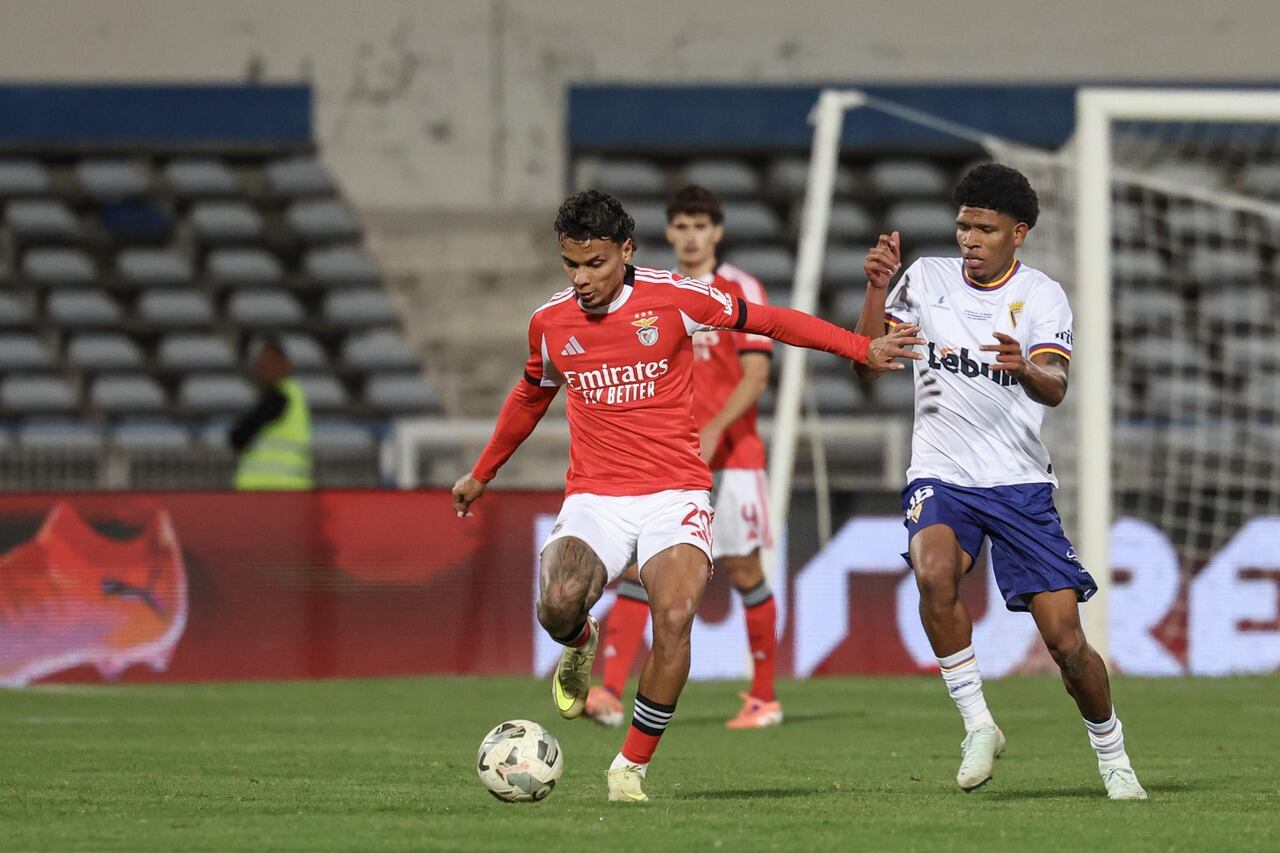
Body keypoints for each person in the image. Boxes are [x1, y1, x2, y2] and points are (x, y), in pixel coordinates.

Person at [452, 190, 921, 802]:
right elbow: (531, 394)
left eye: (594, 264)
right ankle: (580, 643)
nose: (582, 279)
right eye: (570, 265)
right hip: (596, 495)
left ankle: (630, 768)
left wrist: (861, 346)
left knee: (673, 617)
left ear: (626, 251)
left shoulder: (676, 297)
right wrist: (483, 471)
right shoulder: (550, 321)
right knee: (557, 605)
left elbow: (771, 319)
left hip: (675, 493)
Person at [855, 163, 1146, 800]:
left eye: (984, 229)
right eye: (963, 226)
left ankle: (1113, 754)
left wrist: (1024, 370)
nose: (969, 239)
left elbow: (1056, 385)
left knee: (1067, 642)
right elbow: (868, 365)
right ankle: (978, 723)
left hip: (1018, 485)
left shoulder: (1042, 296)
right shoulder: (924, 279)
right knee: (932, 571)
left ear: (1018, 233)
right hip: (941, 473)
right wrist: (877, 290)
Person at [584, 185, 782, 731]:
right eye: (682, 225)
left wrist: (717, 427)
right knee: (637, 566)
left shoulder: (739, 287)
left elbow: (758, 373)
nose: (691, 236)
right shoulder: (654, 290)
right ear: (668, 233)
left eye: (701, 225)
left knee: (744, 569)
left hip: (733, 454)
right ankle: (607, 691)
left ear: (716, 232)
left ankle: (764, 697)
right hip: (668, 457)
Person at [229, 335, 312, 490]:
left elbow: (239, 436)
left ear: (283, 363)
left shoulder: (280, 397)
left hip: (269, 490)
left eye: (267, 362)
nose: (261, 368)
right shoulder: (294, 397)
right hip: (286, 490)